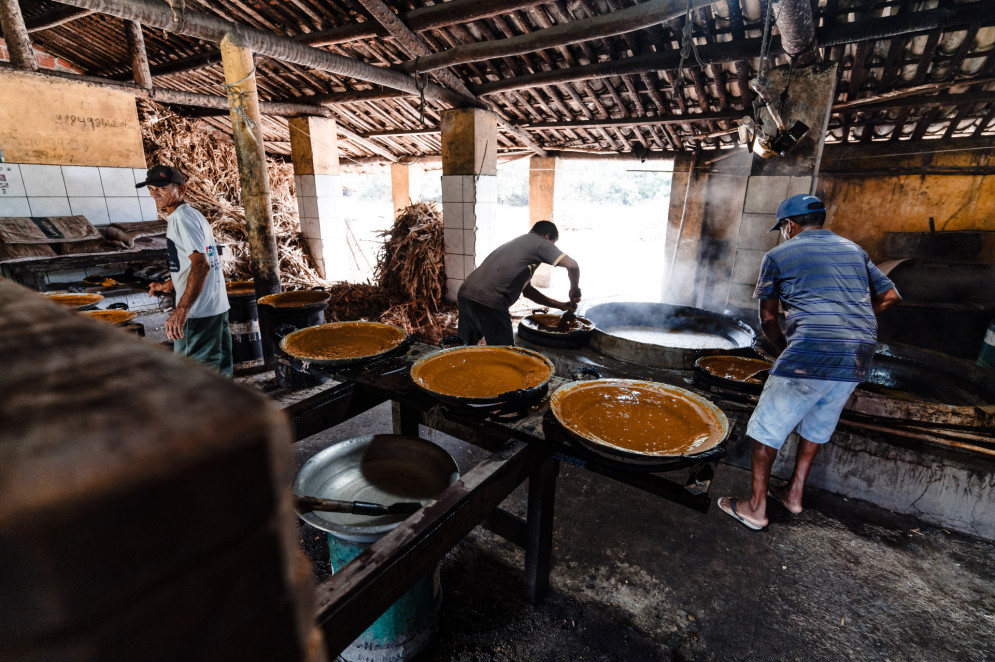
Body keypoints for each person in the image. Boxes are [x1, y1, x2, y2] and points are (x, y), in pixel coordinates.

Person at [719, 194, 901, 531]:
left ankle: (756, 509)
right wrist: (852, 320)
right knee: (817, 426)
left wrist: (786, 347)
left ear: (789, 225)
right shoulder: (854, 250)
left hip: (811, 351)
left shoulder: (777, 255)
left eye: (783, 227)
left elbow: (769, 319)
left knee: (764, 432)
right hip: (858, 354)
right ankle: (793, 495)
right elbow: (891, 296)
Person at [137, 165, 233, 376]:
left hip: (198, 314)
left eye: (161, 188)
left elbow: (201, 265)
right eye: (151, 188)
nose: (155, 193)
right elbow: (191, 266)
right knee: (219, 375)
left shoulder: (181, 219)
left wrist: (181, 310)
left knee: (194, 379)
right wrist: (168, 285)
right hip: (215, 308)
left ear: (182, 189)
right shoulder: (193, 215)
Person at [457, 220, 581, 346]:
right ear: (547, 236)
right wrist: (574, 291)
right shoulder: (540, 243)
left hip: (466, 294)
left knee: (465, 348)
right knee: (505, 354)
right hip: (490, 302)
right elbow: (573, 266)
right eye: (553, 244)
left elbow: (528, 292)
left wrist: (560, 306)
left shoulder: (520, 244)